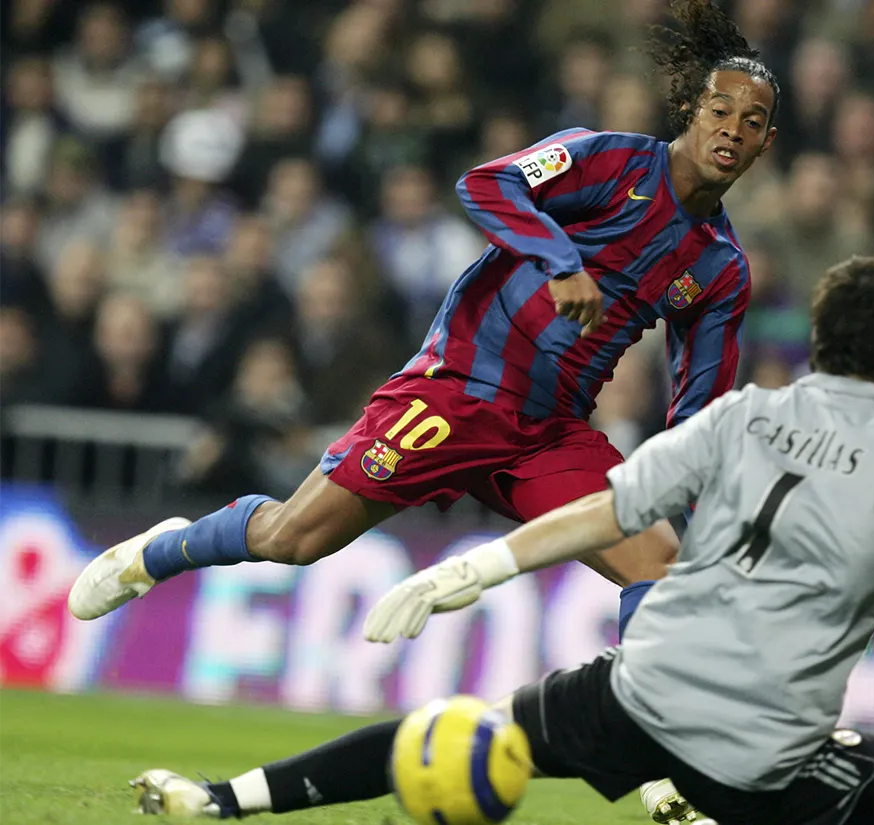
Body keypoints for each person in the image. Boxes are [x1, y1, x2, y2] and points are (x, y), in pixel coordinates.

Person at [68, 1, 778, 820]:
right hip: (453, 394)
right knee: (293, 538)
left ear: (765, 143)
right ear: (691, 110)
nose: (732, 128)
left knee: (667, 571)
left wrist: (697, 501)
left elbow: (699, 407)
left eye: (752, 121)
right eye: (720, 109)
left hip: (549, 438)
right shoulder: (608, 159)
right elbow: (485, 183)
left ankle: (663, 767)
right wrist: (557, 259)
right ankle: (162, 550)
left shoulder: (719, 268)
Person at [127, 258, 874, 825]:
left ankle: (222, 802)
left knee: (462, 729)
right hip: (761, 764)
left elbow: (608, 510)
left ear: (813, 341)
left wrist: (475, 566)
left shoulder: (741, 417)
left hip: (641, 696)